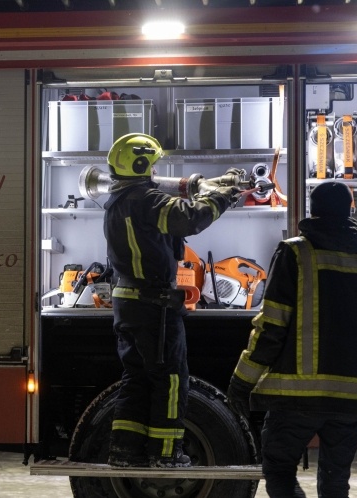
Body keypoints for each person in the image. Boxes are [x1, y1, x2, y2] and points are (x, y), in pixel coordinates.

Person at [227, 180, 357, 497]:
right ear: (350, 211)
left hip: (295, 401)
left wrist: (242, 381)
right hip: (349, 402)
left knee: (279, 473)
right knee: (335, 483)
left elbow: (272, 326)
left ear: (312, 211)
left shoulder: (294, 253)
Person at [103, 133, 241, 468]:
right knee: (170, 379)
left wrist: (208, 184)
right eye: (151, 165)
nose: (154, 171)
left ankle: (124, 450)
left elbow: (171, 203)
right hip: (154, 306)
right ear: (140, 164)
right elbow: (188, 219)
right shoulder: (145, 200)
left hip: (128, 304)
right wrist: (223, 197)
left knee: (136, 378)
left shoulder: (119, 201)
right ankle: (165, 454)